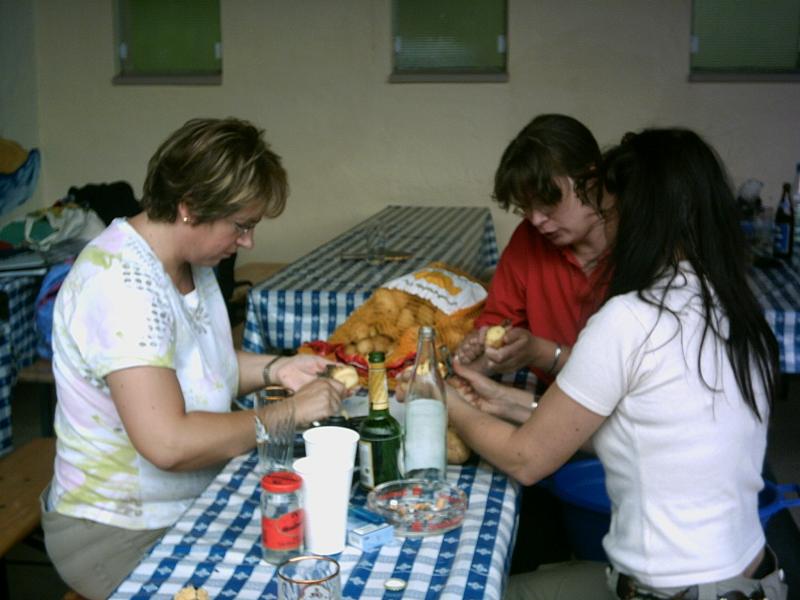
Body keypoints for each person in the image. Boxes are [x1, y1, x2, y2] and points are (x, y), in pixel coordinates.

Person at [447, 128, 786, 599]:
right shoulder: (734, 308)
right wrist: (501, 401)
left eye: (608, 212)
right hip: (753, 582)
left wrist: (442, 399)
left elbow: (526, 460)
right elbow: (643, 432)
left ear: (637, 217)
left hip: (670, 591)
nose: (606, 229)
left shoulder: (631, 318)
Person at [41, 117, 347, 600]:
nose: (247, 242)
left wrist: (277, 369)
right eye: (241, 226)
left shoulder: (188, 263)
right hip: (116, 530)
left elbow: (200, 367)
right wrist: (288, 412)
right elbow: (169, 443)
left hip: (190, 502)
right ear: (189, 208)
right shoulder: (120, 284)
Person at [456, 113, 614, 388]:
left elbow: (622, 375)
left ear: (590, 180)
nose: (537, 220)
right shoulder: (529, 239)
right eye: (525, 207)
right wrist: (480, 344)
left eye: (548, 202)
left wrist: (541, 352)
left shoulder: (643, 246)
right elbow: (500, 320)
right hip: (549, 389)